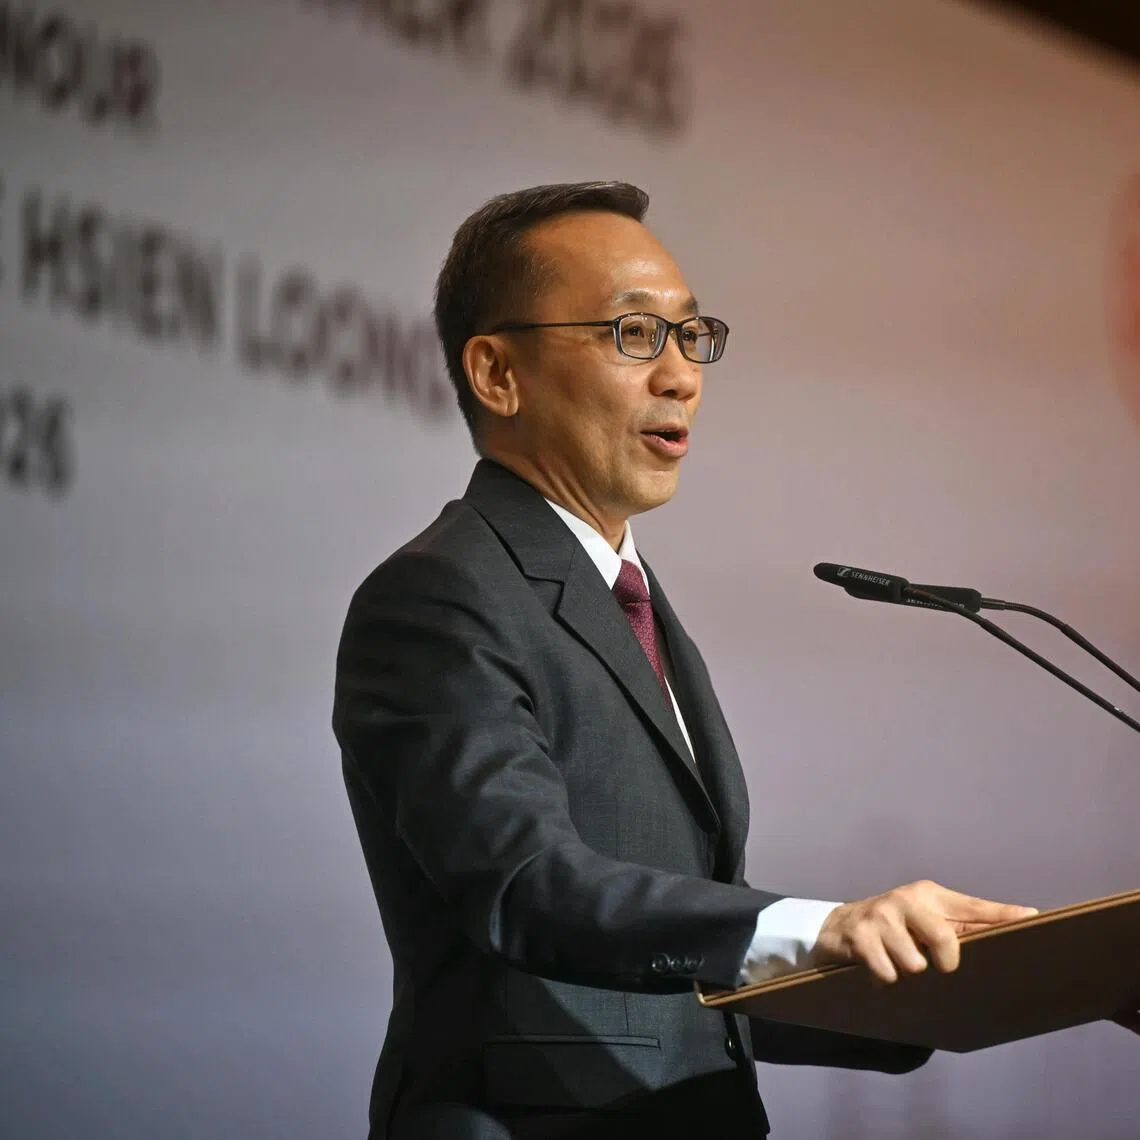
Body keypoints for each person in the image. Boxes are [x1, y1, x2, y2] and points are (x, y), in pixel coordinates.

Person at [331, 181, 1041, 1139]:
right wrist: (818, 924)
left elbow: (669, 982)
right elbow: (528, 887)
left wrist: (968, 988)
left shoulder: (631, 603)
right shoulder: (440, 597)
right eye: (633, 335)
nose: (682, 376)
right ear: (498, 373)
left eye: (692, 335)